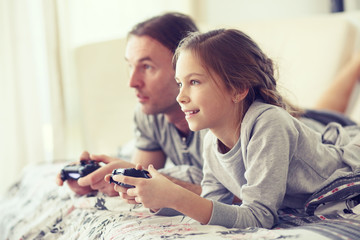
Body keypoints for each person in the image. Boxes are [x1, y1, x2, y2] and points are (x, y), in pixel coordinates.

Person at [110, 29, 360, 229]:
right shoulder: (210, 141)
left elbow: (260, 217)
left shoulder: (268, 123)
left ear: (238, 89)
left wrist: (176, 196)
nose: (180, 97)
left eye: (194, 82)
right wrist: (157, 199)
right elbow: (211, 205)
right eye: (179, 84)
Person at [56, 12, 207, 197]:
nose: (132, 82)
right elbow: (140, 179)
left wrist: (160, 184)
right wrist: (96, 182)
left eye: (147, 66)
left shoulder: (221, 114)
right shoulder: (149, 115)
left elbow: (244, 200)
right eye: (130, 65)